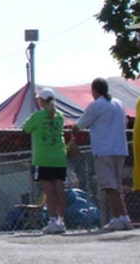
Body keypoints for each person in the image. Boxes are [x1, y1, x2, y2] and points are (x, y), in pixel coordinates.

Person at [73, 77, 132, 230]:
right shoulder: (118, 104)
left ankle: (118, 218)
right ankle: (123, 216)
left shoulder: (96, 105)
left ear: (94, 90)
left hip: (104, 150)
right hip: (120, 148)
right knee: (117, 186)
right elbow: (124, 123)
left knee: (109, 187)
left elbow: (79, 126)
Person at [22, 88, 67, 234]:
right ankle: (61, 221)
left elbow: (26, 128)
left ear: (41, 101)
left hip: (43, 157)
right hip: (60, 157)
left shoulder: (39, 115)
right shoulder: (60, 116)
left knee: (49, 191)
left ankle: (52, 220)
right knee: (60, 190)